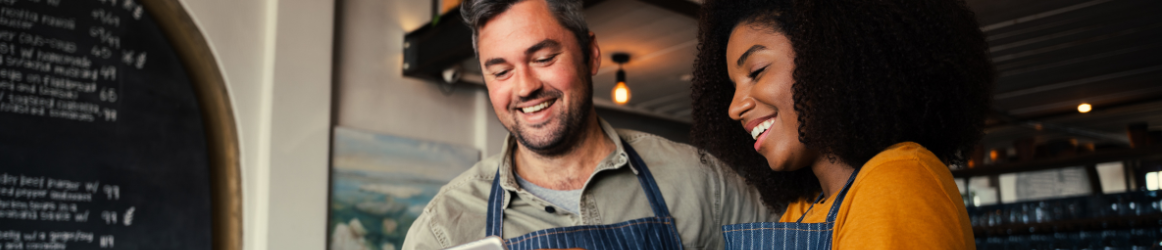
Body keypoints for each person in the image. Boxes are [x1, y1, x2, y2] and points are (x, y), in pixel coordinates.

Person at [402, 0, 774, 249]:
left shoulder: (701, 182)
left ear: (590, 53)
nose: (526, 86)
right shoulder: (445, 227)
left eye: (544, 58)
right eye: (500, 71)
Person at [689, 0, 994, 249]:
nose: (734, 107)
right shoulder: (806, 208)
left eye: (756, 71)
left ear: (828, 57)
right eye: (733, 87)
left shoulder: (895, 181)